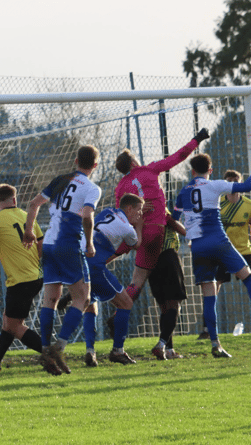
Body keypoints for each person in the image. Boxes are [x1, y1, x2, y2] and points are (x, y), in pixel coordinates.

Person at [173, 154, 251, 358]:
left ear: (192, 172)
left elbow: (173, 219)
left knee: (209, 296)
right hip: (219, 241)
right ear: (210, 170)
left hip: (198, 247)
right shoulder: (215, 185)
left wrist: (188, 232)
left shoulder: (183, 192)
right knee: (249, 277)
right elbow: (248, 186)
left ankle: (216, 343)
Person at [23, 145, 101, 376]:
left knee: (51, 299)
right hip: (69, 244)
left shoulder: (60, 180)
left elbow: (33, 204)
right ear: (95, 166)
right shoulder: (91, 188)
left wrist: (29, 230)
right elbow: (87, 215)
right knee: (83, 297)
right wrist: (89, 243)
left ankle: (45, 350)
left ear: (76, 161)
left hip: (48, 243)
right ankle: (60, 346)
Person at [113, 128, 209, 305]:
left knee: (135, 279)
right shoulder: (150, 169)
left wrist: (136, 214)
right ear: (133, 162)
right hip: (157, 234)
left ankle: (117, 309)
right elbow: (178, 156)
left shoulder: (120, 187)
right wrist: (197, 138)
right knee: (162, 292)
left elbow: (120, 215)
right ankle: (120, 306)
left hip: (136, 235)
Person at [197, 169, 251, 340]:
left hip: (243, 251)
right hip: (220, 252)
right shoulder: (217, 205)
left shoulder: (250, 205)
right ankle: (206, 330)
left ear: (240, 183)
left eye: (236, 179)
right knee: (213, 287)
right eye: (229, 180)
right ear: (225, 184)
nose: (233, 183)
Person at [0, 184, 45, 372]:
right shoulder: (27, 217)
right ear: (15, 200)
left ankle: (48, 351)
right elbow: (41, 247)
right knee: (8, 321)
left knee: (14, 326)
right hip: (36, 277)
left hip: (19, 281)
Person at [75, 193, 145, 366]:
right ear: (128, 208)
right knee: (126, 303)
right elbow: (136, 244)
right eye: (138, 210)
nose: (139, 214)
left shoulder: (107, 212)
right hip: (94, 265)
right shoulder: (128, 228)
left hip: (77, 259)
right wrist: (139, 226)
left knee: (90, 306)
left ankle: (90, 352)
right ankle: (118, 351)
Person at [148, 210, 188, 360]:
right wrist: (191, 234)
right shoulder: (157, 206)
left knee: (164, 307)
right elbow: (173, 224)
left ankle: (169, 350)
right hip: (168, 256)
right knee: (174, 305)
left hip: (151, 261)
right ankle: (161, 344)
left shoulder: (140, 212)